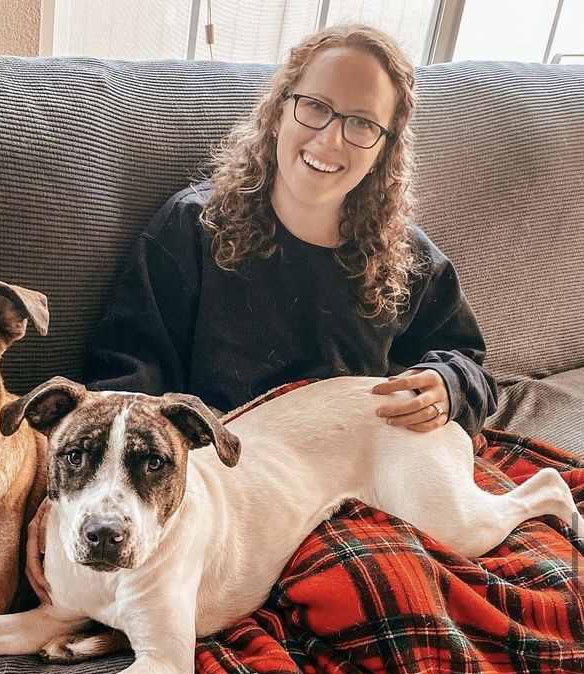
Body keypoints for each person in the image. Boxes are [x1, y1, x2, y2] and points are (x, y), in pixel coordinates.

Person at [27, 23, 498, 600]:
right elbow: (126, 375)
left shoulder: (411, 260)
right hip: (229, 498)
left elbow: (469, 361)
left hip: (356, 478)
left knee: (413, 589)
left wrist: (448, 385)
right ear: (279, 109)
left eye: (362, 123)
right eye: (316, 108)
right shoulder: (190, 229)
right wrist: (67, 502)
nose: (330, 140)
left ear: (385, 147)